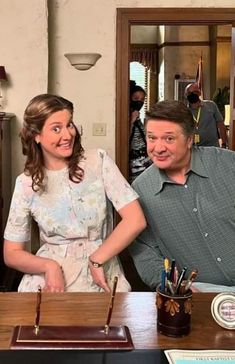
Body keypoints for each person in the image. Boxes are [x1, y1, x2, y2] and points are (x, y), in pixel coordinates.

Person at [3, 94, 146, 293]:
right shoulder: (26, 183)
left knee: (109, 323)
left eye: (69, 124)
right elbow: (11, 253)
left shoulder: (98, 161)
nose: (68, 135)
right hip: (48, 281)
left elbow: (135, 220)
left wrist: (97, 260)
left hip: (100, 271)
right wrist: (48, 266)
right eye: (56, 128)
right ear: (36, 135)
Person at [129, 99, 235, 292]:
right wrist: (171, 285)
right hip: (195, 292)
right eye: (152, 138)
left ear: (189, 140)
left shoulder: (229, 165)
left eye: (169, 139)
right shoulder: (140, 190)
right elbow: (144, 250)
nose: (158, 148)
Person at [185, 82, 227, 148]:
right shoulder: (184, 111)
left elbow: (220, 124)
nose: (192, 94)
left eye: (195, 92)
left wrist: (224, 143)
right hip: (193, 149)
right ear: (186, 95)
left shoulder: (211, 105)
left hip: (212, 147)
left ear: (199, 93)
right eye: (189, 93)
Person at [129, 82, 152, 183]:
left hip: (146, 160)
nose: (139, 102)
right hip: (135, 163)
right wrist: (131, 121)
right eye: (136, 98)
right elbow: (124, 139)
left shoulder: (139, 117)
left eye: (142, 99)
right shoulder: (126, 116)